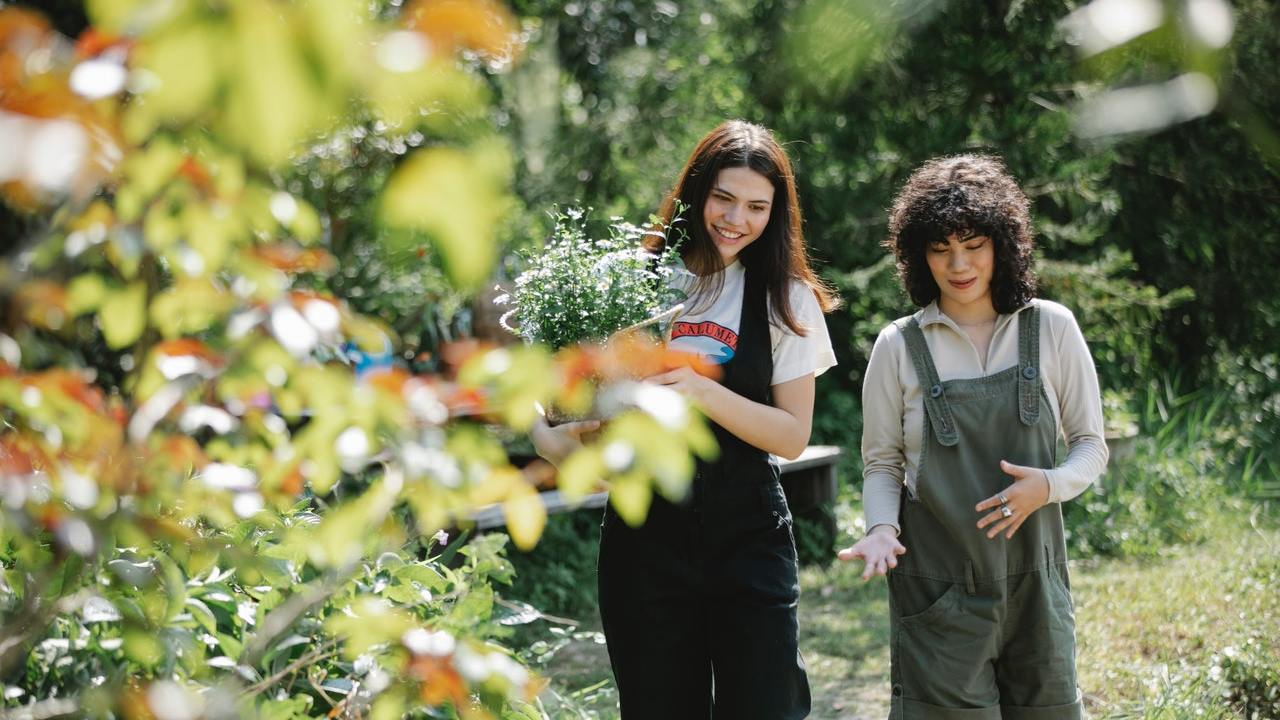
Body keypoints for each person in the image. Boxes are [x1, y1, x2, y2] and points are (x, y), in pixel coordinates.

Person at [531, 120, 839, 719]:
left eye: (757, 207)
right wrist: (545, 436)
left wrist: (701, 391)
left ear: (775, 213)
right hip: (644, 540)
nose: (736, 219)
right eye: (723, 198)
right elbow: (557, 400)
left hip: (748, 535)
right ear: (696, 193)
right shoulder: (629, 285)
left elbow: (791, 436)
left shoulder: (786, 297)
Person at [837, 154, 1109, 718]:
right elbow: (883, 463)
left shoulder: (1052, 326)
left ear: (1003, 244)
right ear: (918, 255)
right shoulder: (897, 346)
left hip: (1037, 587)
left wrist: (1049, 486)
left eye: (973, 244)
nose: (958, 264)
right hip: (939, 594)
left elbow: (1090, 445)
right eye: (940, 249)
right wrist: (881, 529)